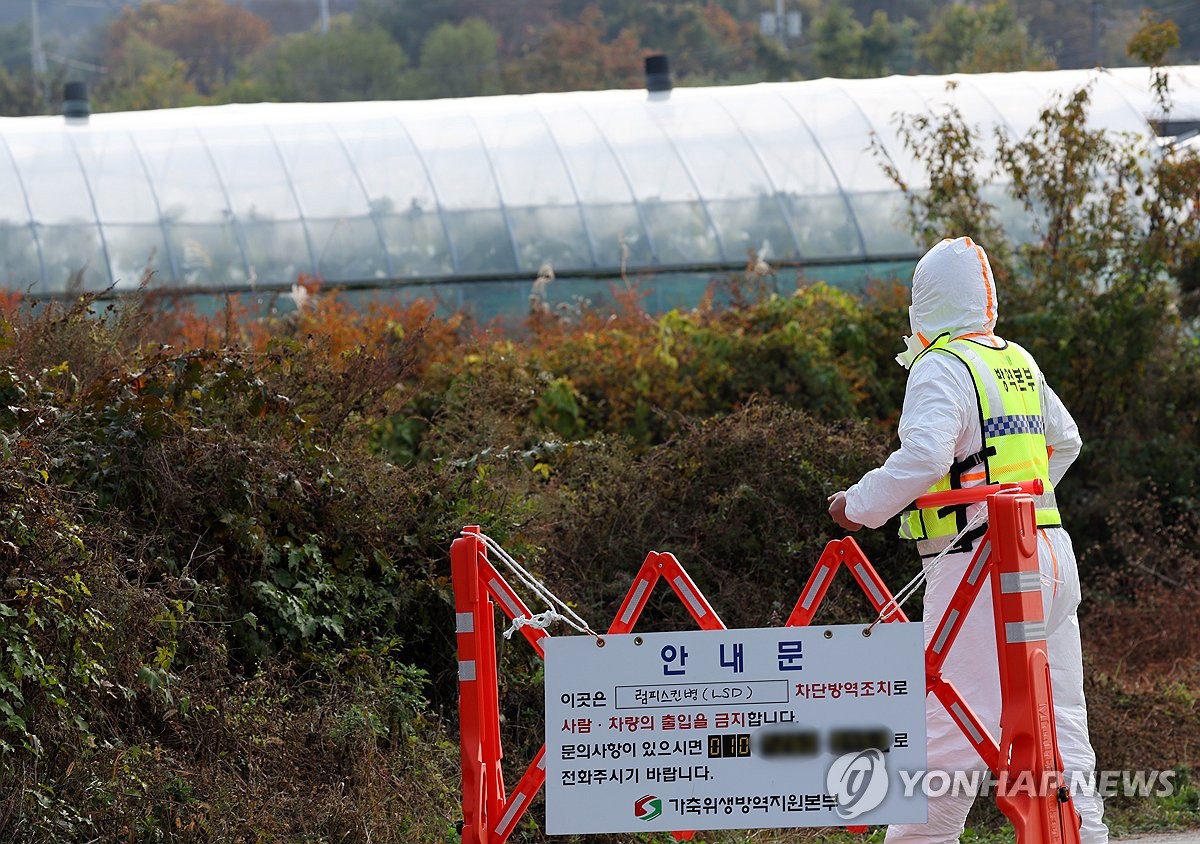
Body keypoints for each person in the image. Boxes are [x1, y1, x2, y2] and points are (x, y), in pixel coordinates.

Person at [827, 237, 1108, 844]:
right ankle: (1084, 834)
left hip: (980, 566)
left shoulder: (941, 366)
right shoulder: (1016, 361)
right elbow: (1067, 441)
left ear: (923, 305)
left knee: (950, 723)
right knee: (1062, 721)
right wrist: (1021, 503)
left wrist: (859, 506)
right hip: (1047, 553)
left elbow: (925, 454)